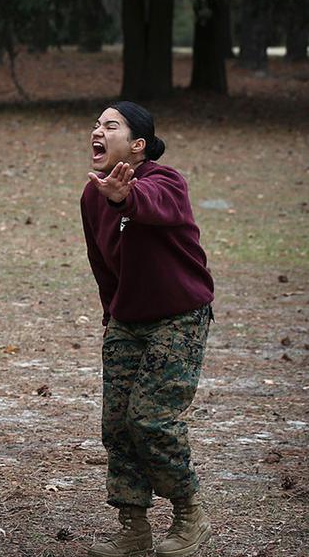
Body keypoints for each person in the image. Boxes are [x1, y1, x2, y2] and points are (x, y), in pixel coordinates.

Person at [81, 101, 213, 557]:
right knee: (117, 425)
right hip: (126, 320)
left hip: (179, 316)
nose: (97, 131)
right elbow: (103, 264)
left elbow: (154, 207)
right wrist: (110, 314)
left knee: (151, 420)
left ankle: (190, 514)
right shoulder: (91, 194)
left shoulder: (165, 181)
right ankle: (133, 527)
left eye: (110, 125)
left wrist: (124, 198)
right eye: (96, 125)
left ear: (137, 146)